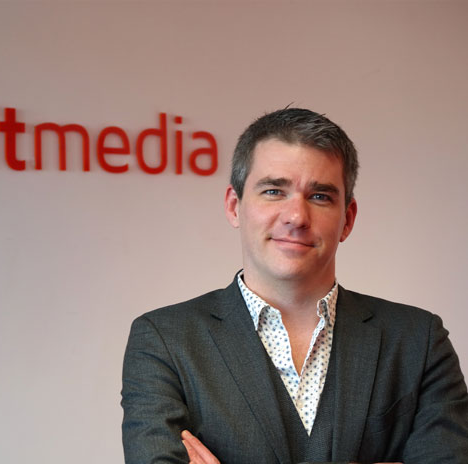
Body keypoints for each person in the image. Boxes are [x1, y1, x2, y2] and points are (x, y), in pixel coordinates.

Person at [120, 108, 468, 464]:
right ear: (234, 206)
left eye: (320, 197)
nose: (297, 217)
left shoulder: (419, 341)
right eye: (274, 191)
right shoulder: (164, 340)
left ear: (347, 219)